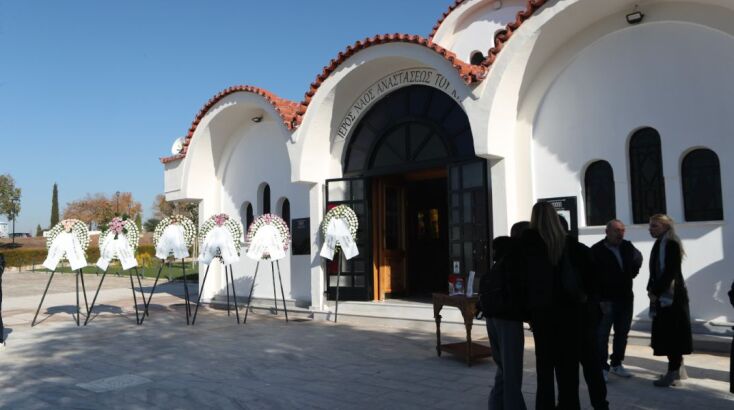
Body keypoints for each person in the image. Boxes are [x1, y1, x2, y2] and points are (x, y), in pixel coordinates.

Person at [519, 202, 584, 409]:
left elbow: (522, 283)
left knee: (544, 368)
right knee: (568, 367)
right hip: (569, 313)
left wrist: (527, 311)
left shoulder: (527, 245)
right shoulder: (571, 245)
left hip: (542, 314)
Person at [485, 221, 529, 410]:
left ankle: (495, 404)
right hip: (508, 317)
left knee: (503, 367)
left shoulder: (503, 253)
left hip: (492, 314)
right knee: (512, 370)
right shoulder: (518, 256)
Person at [591, 220, 642, 380]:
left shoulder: (627, 246)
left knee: (622, 333)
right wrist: (598, 299)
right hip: (605, 300)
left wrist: (630, 274)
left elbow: (637, 260)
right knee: (602, 335)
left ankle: (617, 364)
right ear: (607, 232)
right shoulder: (596, 250)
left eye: (622, 230)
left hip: (625, 298)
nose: (620, 234)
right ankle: (602, 367)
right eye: (616, 230)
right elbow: (591, 277)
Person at [647, 214, 693, 387]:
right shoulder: (660, 243)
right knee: (668, 334)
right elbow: (655, 271)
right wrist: (651, 288)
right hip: (664, 295)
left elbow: (670, 272)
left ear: (665, 227)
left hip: (672, 297)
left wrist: (656, 291)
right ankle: (677, 370)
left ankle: (673, 372)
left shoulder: (670, 244)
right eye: (650, 226)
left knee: (672, 335)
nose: (650, 229)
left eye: (655, 226)